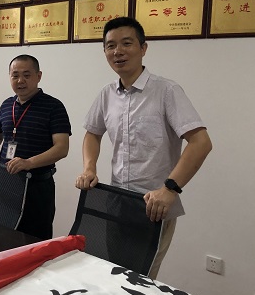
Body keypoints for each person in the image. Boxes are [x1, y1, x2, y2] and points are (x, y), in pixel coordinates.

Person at [76, 17, 212, 279]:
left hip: (153, 205)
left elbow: (201, 142)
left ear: (143, 48)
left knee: (139, 280)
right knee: (112, 270)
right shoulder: (106, 94)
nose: (118, 51)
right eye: (111, 46)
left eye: (127, 43)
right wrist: (89, 168)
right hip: (116, 199)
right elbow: (92, 133)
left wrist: (170, 189)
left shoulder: (167, 91)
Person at [0, 55, 71, 240]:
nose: (20, 81)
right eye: (15, 75)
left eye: (27, 75)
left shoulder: (54, 106)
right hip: (5, 182)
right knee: (2, 236)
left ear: (38, 76)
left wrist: (29, 163)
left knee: (33, 242)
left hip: (37, 186)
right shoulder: (7, 105)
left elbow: (62, 148)